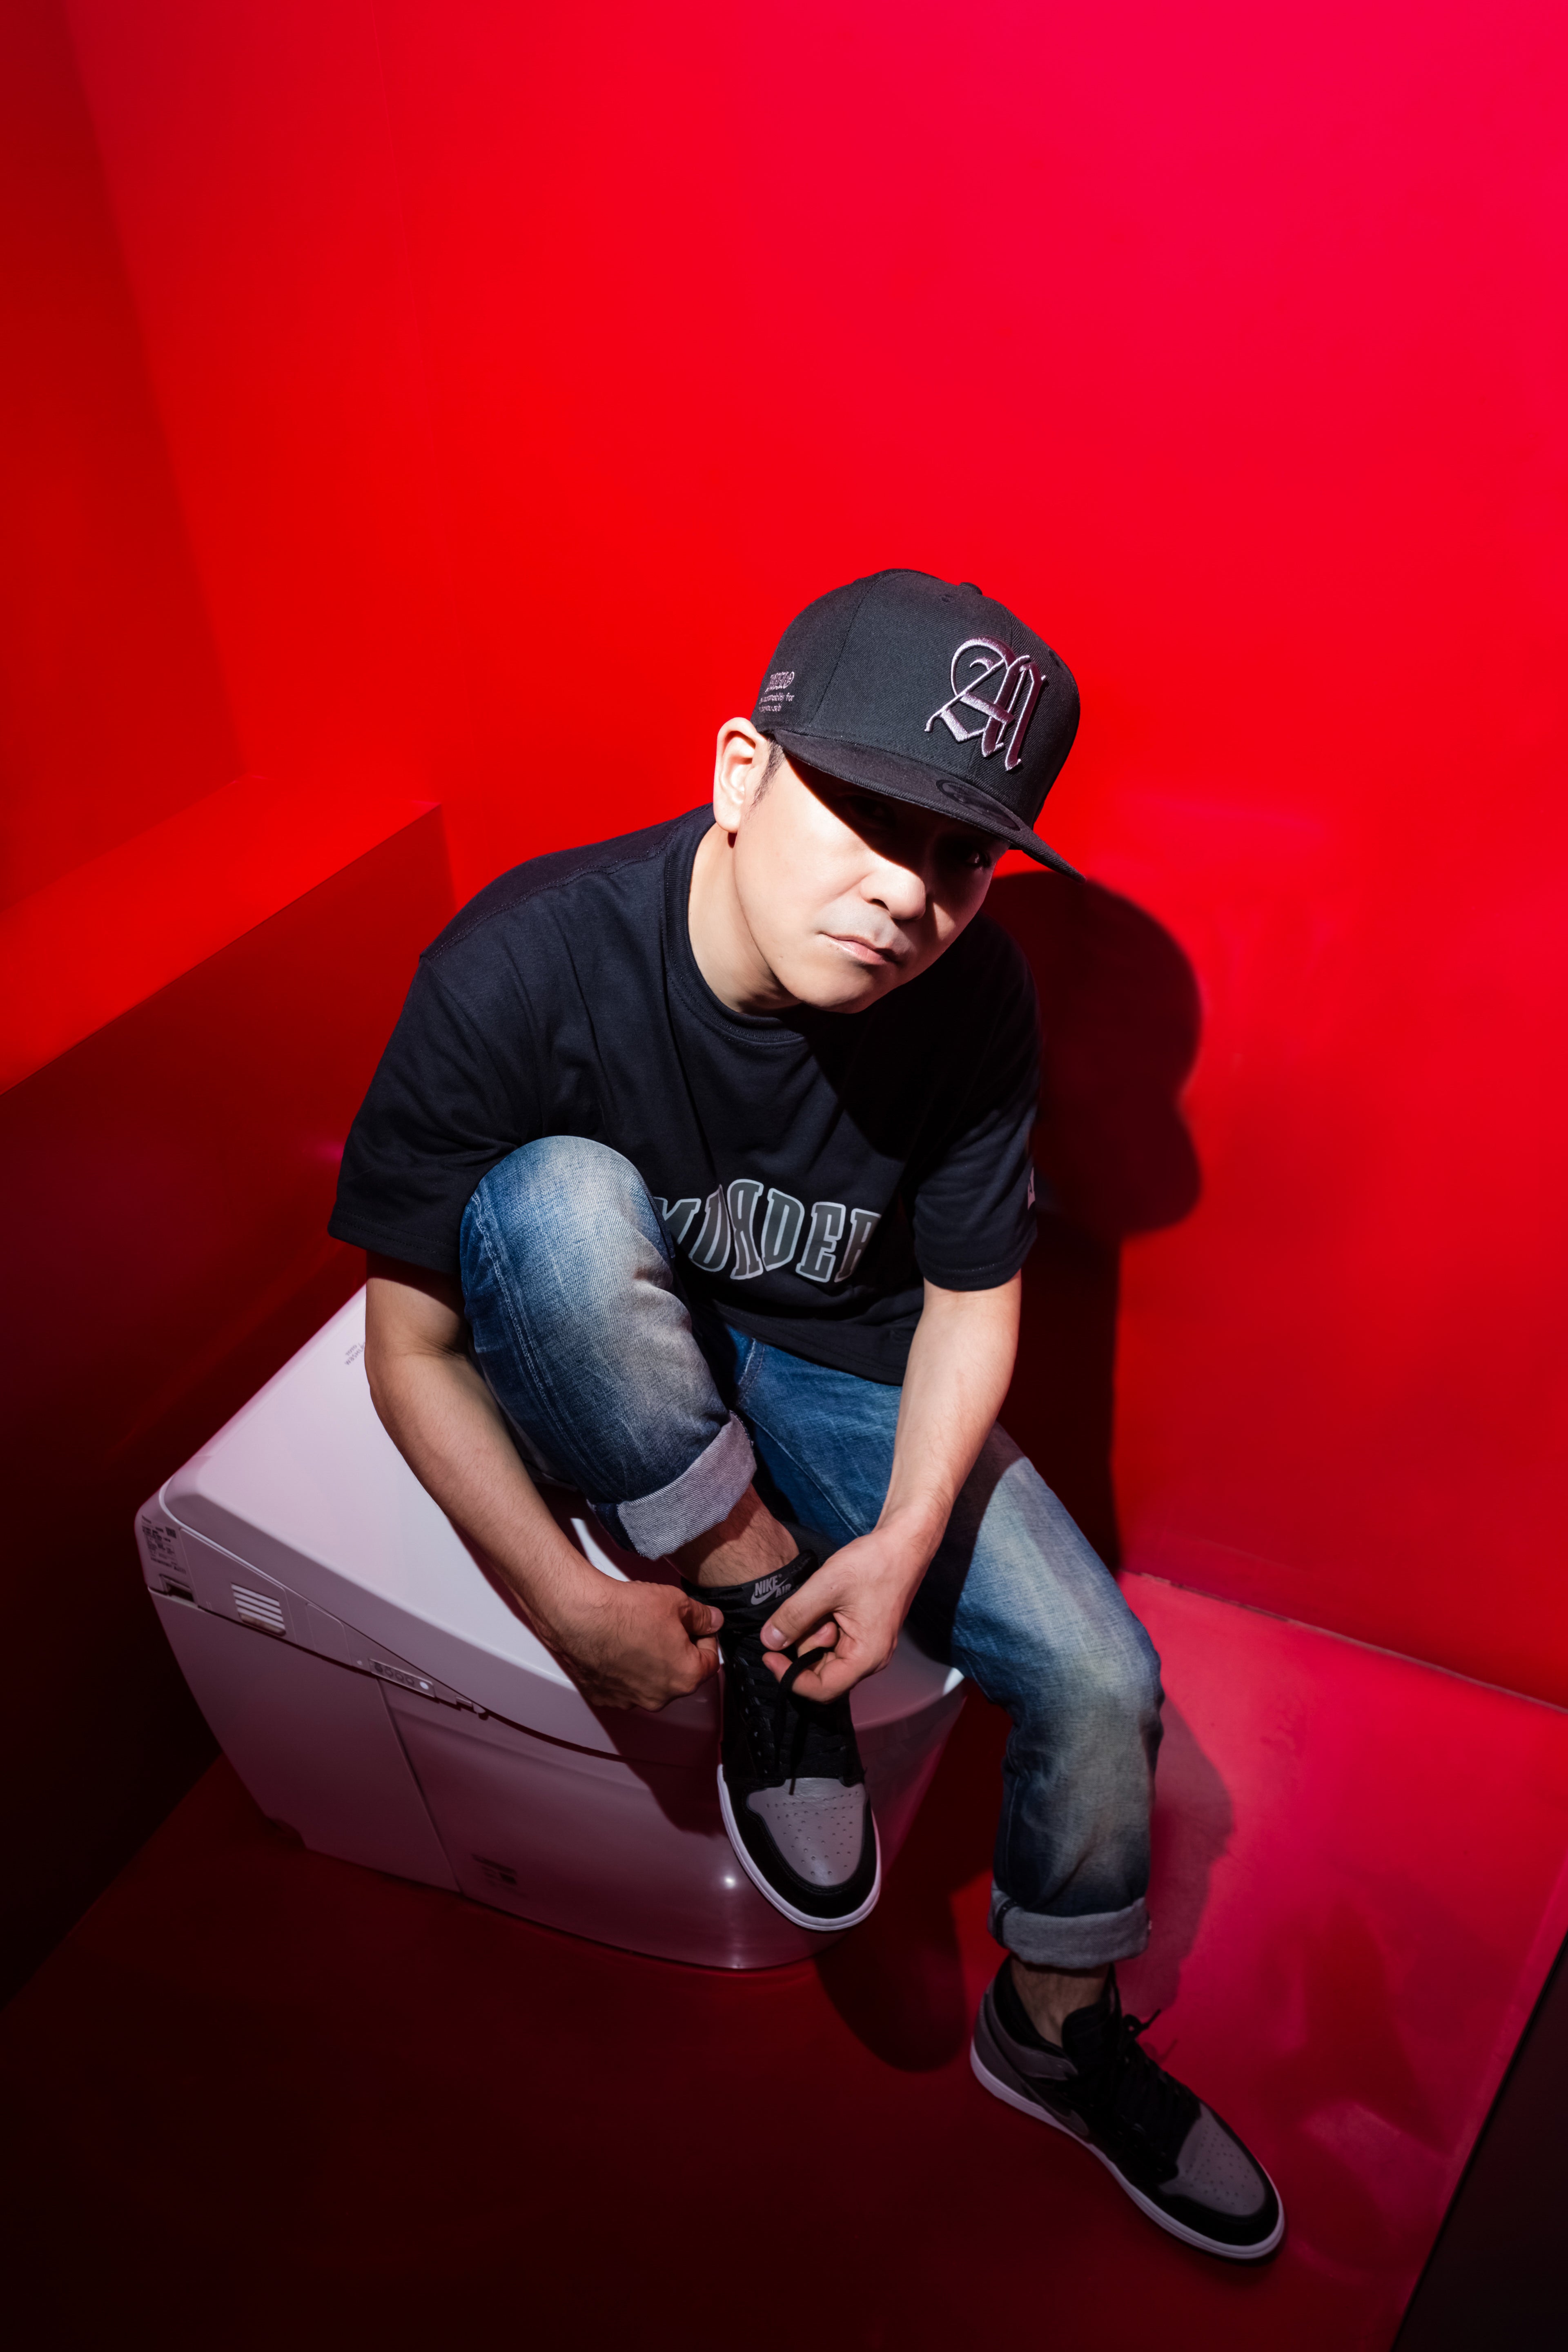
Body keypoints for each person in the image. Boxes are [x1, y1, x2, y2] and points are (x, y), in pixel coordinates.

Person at [329, 569, 1283, 2260]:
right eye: (870, 816)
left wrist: (909, 1537)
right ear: (741, 773)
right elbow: (406, 1347)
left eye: (960, 857)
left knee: (1104, 1678)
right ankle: (757, 1598)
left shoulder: (973, 1001)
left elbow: (974, 1297)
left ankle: (1054, 2034)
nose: (908, 893)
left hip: (840, 1366)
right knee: (553, 1201)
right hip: (591, 1348)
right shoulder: (523, 964)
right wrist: (569, 1608)